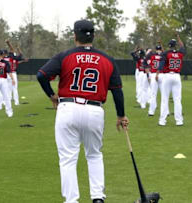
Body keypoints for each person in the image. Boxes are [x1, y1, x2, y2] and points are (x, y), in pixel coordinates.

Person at [37, 19, 129, 203]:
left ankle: (72, 200)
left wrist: (51, 95)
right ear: (93, 36)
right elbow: (117, 90)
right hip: (94, 110)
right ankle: (97, 198)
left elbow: (42, 75)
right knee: (94, 155)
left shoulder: (65, 56)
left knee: (68, 159)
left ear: (74, 36)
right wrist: (121, 115)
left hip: (68, 107)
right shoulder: (107, 59)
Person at [156, 34, 186, 126]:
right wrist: (178, 37)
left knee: (165, 99)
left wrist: (157, 74)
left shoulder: (166, 53)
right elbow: (182, 46)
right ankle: (179, 121)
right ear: (175, 45)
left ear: (169, 45)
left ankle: (162, 121)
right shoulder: (180, 53)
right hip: (177, 76)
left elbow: (161, 64)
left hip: (167, 76)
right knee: (177, 100)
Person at [6, 41, 29, 106]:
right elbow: (20, 54)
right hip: (12, 73)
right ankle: (16, 102)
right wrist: (9, 43)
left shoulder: (7, 58)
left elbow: (17, 62)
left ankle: (9, 101)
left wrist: (23, 61)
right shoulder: (14, 58)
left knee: (9, 88)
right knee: (14, 88)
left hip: (7, 74)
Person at [144, 45, 163, 116]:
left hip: (153, 74)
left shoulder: (152, 56)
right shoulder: (163, 55)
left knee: (153, 94)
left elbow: (145, 62)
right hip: (161, 75)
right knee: (164, 95)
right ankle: (165, 111)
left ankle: (151, 111)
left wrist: (148, 52)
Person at [0, 49, 15, 117]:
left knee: (6, 96)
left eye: (2, 55)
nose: (2, 56)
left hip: (2, 80)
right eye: (0, 55)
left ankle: (8, 111)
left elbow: (9, 71)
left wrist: (12, 79)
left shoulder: (5, 62)